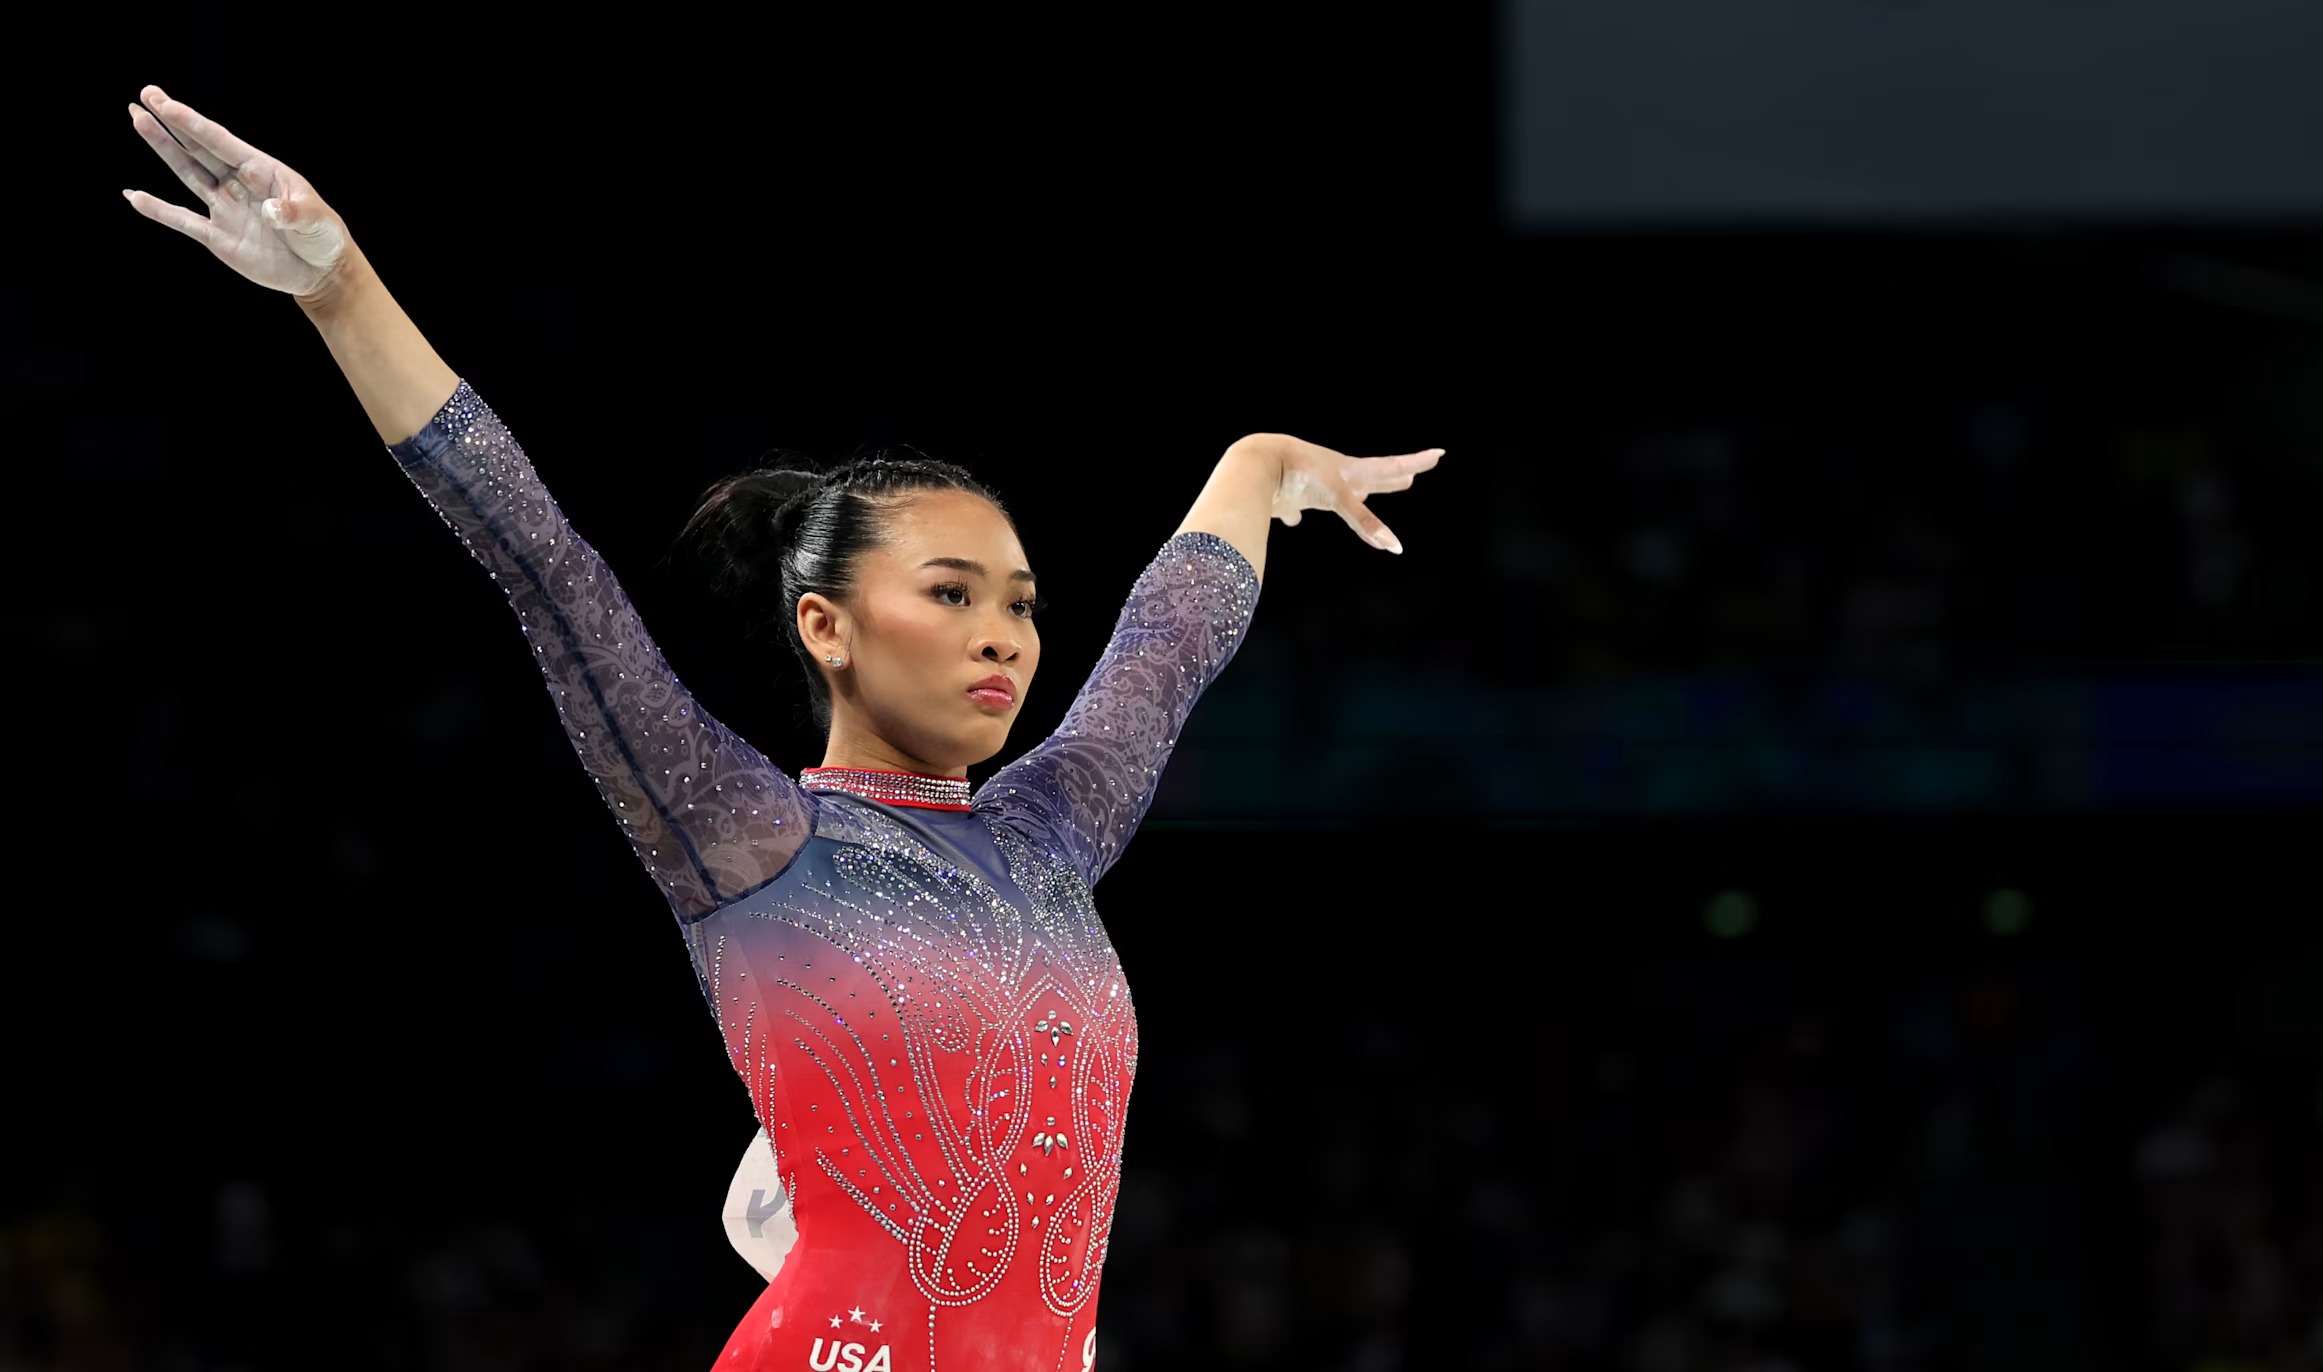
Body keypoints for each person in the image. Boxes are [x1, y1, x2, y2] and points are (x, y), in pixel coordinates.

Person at [121, 84, 1441, 1370]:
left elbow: (1170, 637)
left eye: (1023, 607)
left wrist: (1270, 463)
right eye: (951, 594)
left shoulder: (1050, 830)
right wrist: (341, 285)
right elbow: (544, 565)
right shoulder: (754, 838)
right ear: (827, 627)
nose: (1005, 636)